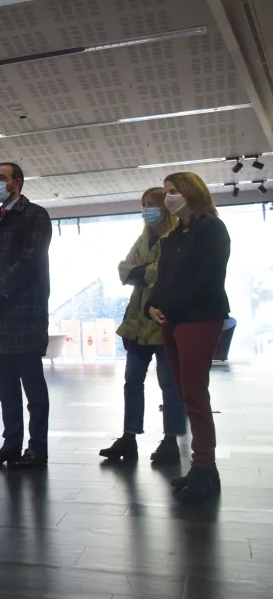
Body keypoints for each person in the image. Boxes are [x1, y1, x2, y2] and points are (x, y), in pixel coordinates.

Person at [147, 172, 230, 502]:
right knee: (186, 392)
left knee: (195, 393)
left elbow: (206, 279)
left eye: (173, 192)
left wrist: (166, 304)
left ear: (191, 193)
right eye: (166, 193)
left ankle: (202, 466)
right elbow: (162, 282)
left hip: (200, 317)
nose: (168, 198)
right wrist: (153, 305)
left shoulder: (211, 229)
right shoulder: (170, 238)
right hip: (173, 319)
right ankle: (206, 469)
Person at [0, 162, 52, 470]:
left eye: (1, 178)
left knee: (33, 387)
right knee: (5, 388)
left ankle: (38, 448)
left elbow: (29, 260)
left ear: (17, 183)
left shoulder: (35, 216)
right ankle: (11, 444)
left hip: (24, 313)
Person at [100, 188, 186, 464]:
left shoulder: (176, 238)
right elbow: (124, 270)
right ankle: (129, 437)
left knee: (169, 384)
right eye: (143, 204)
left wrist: (142, 272)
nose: (146, 209)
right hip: (137, 323)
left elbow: (163, 271)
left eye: (151, 204)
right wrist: (145, 272)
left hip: (164, 320)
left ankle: (172, 439)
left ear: (164, 207)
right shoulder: (143, 238)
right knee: (132, 382)